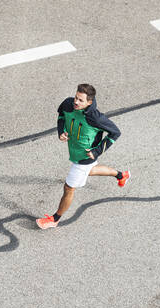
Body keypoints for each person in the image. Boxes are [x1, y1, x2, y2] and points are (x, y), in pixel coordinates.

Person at [36, 84, 130, 229]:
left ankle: (55, 219)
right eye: (76, 97)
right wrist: (61, 131)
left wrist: (97, 151)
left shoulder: (95, 118)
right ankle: (120, 175)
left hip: (84, 158)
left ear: (89, 103)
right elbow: (61, 116)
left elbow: (115, 133)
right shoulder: (68, 104)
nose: (76, 102)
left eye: (80, 100)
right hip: (75, 152)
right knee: (91, 170)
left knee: (69, 188)